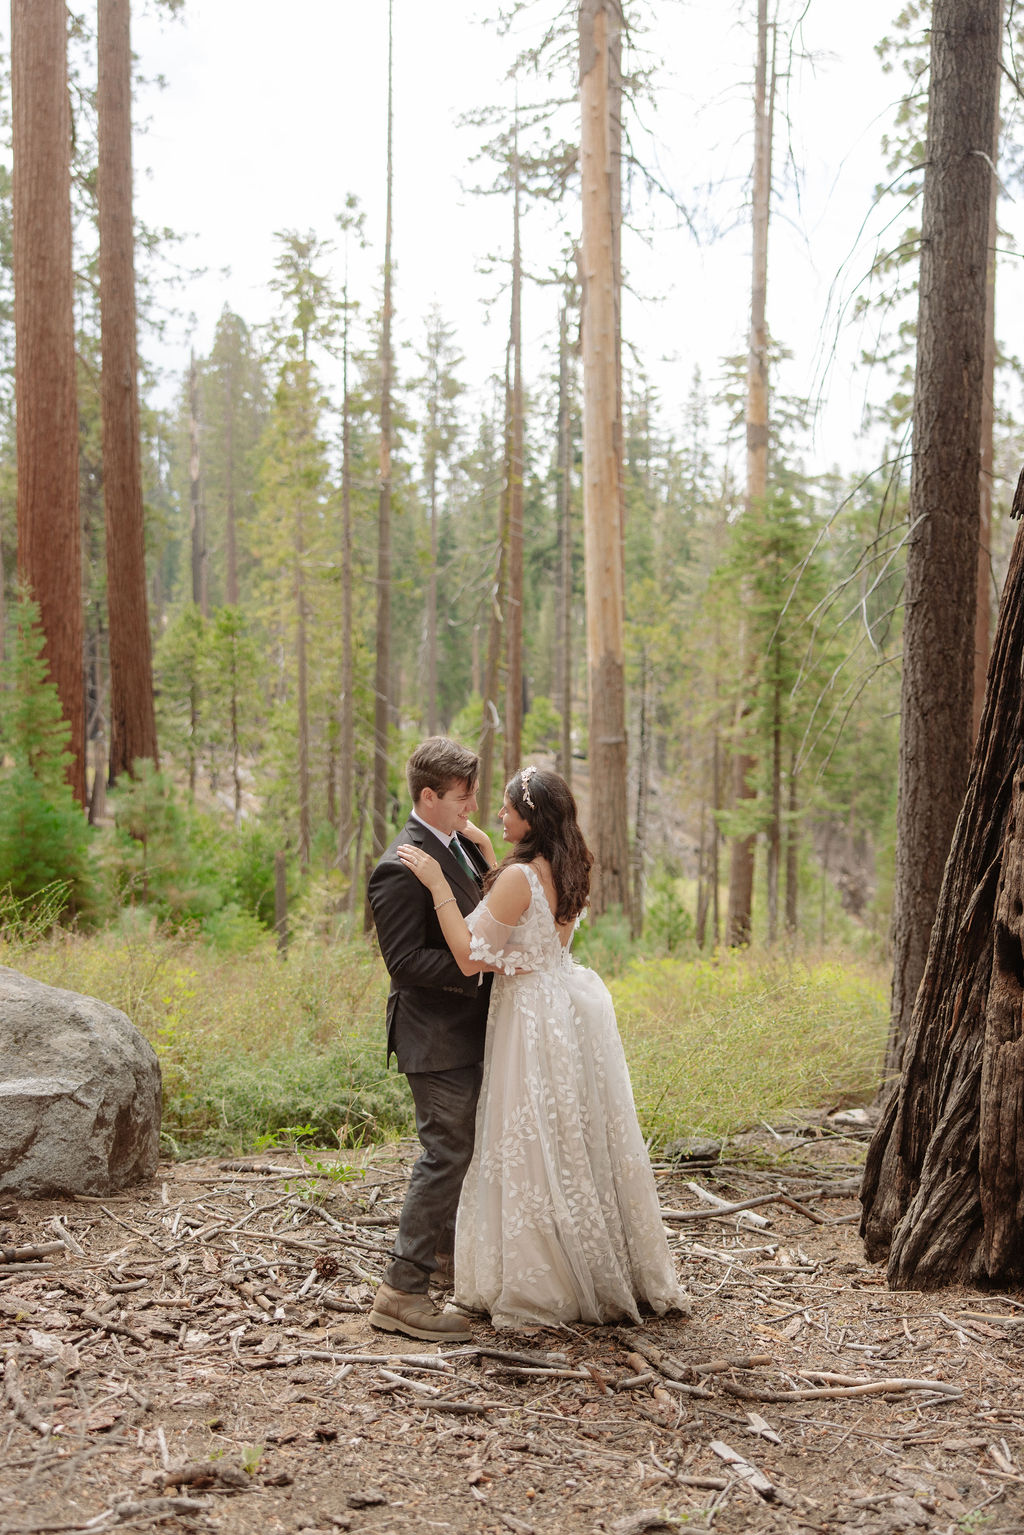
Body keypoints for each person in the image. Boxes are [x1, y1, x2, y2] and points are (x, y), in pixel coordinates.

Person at [396, 764, 688, 1329]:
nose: (495, 816)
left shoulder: (517, 878)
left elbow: (468, 956)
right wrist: (483, 841)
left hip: (527, 1017)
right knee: (562, 1139)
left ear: (530, 820)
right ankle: (585, 1257)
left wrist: (437, 884)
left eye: (505, 809)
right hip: (562, 1008)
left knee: (525, 1142)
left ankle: (539, 1278)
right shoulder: (572, 864)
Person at [366, 737, 498, 1343]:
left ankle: (446, 1266)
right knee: (445, 1153)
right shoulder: (400, 864)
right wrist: (481, 968)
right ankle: (401, 1290)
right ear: (428, 796)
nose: (472, 805)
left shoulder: (460, 847)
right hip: (434, 1035)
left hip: (467, 1031)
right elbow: (405, 961)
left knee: (464, 1149)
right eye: (462, 796)